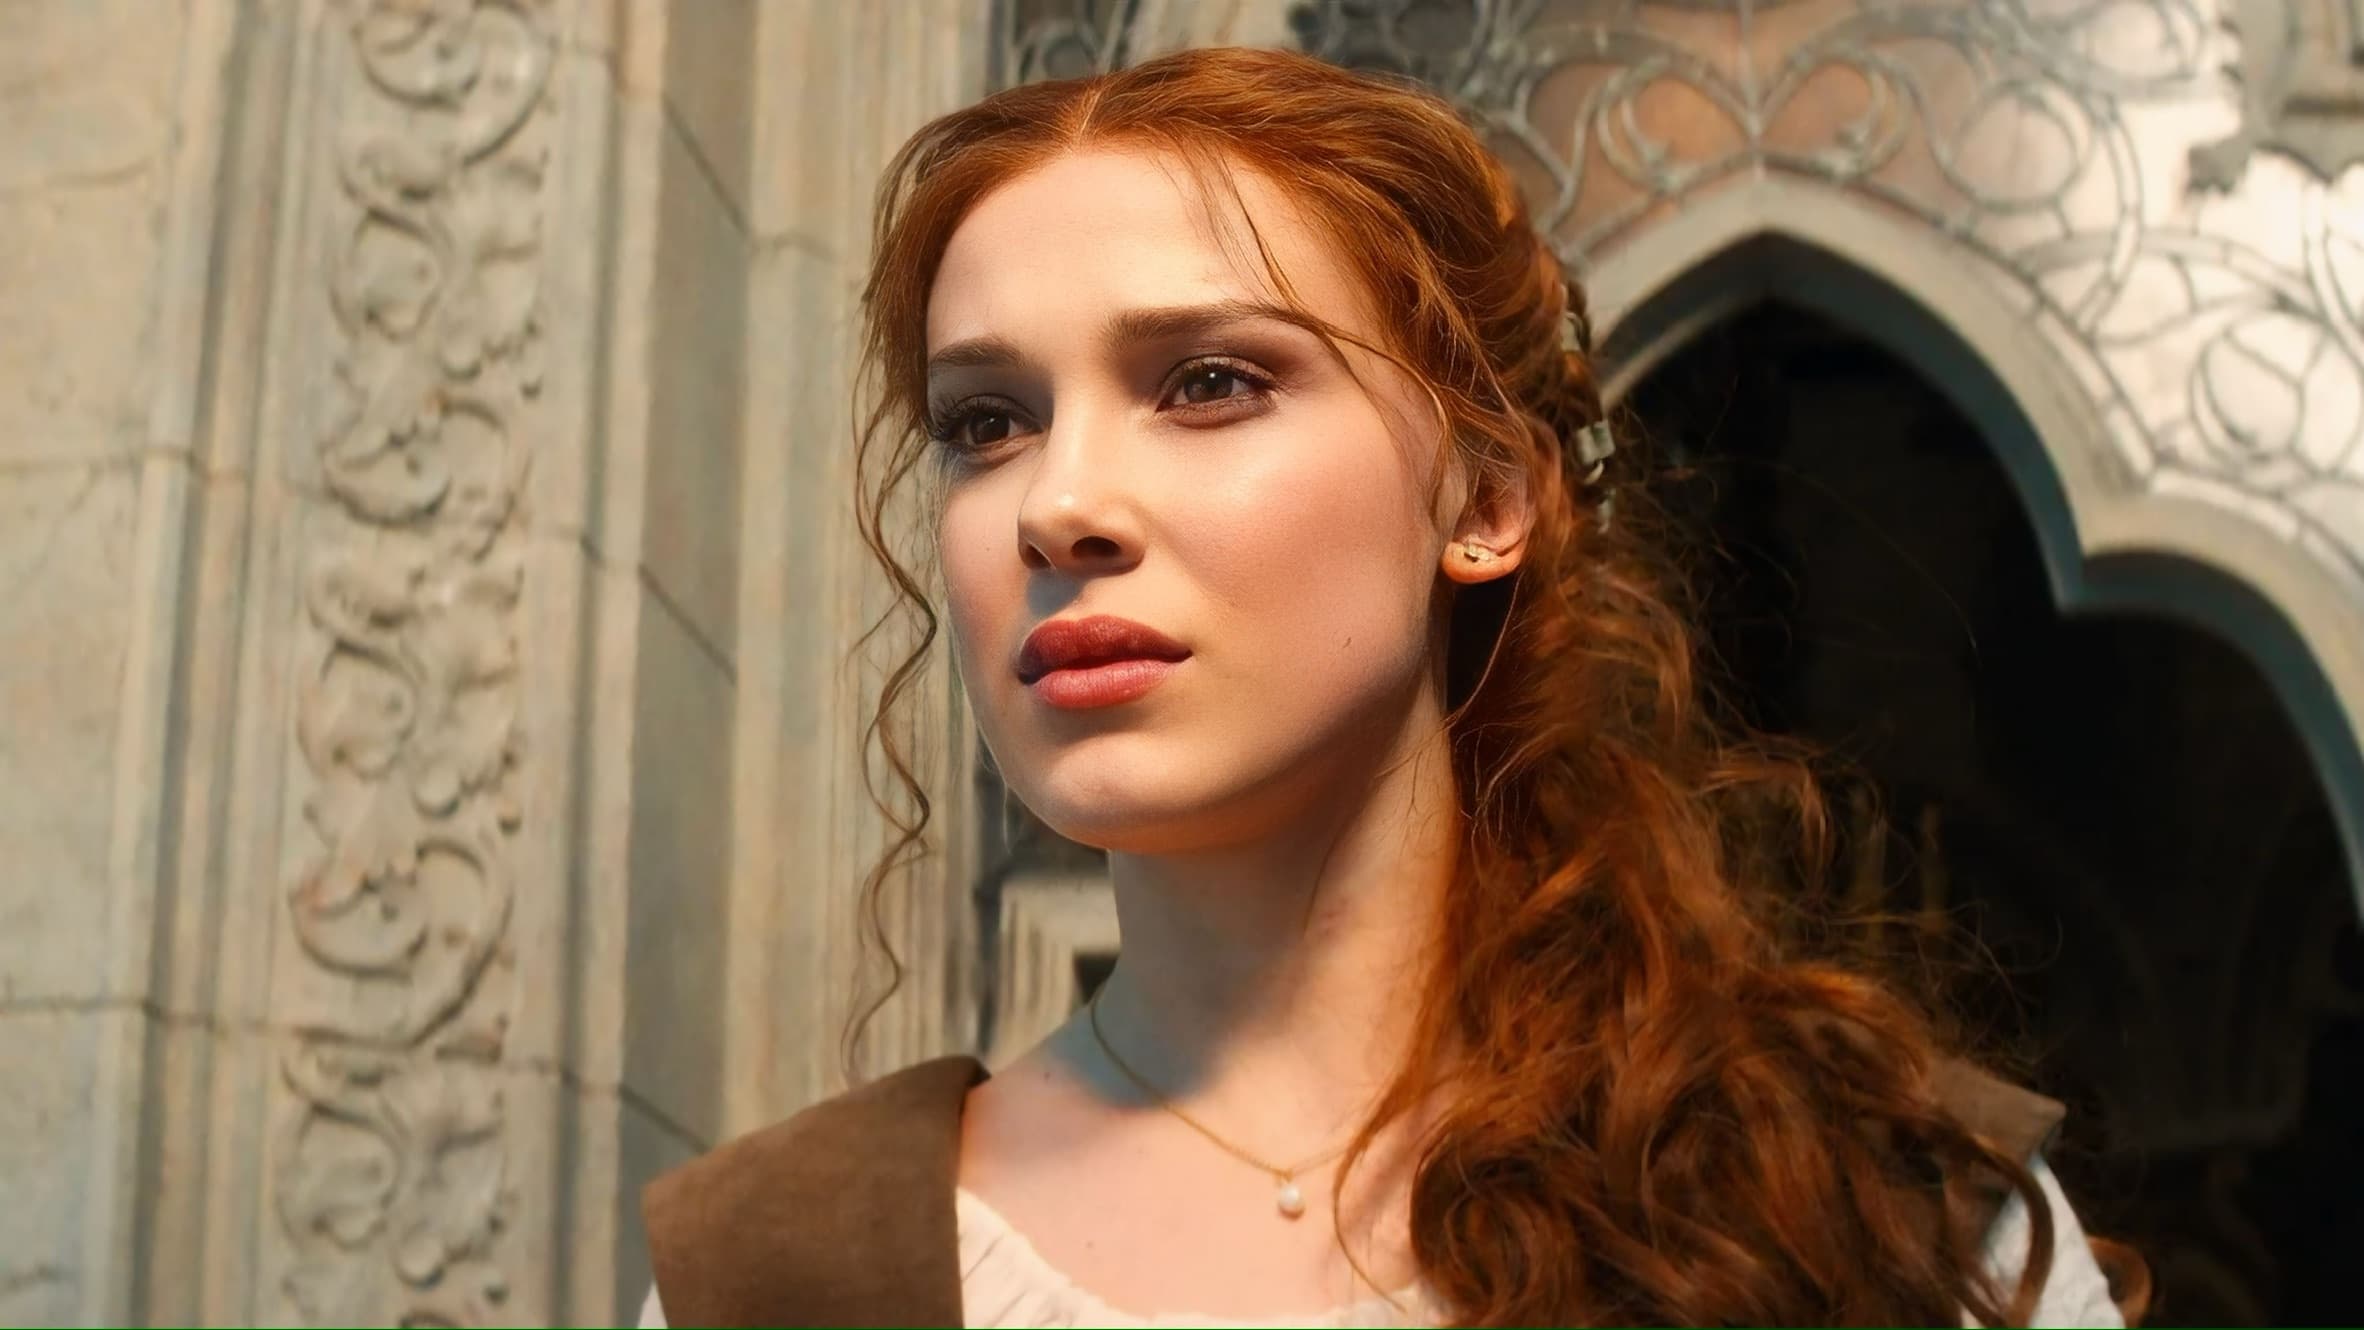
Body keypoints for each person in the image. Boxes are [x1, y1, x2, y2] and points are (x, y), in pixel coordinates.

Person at [638, 45, 2144, 1328]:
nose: (1057, 502)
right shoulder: (778, 1278)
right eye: (987, 421)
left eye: (1210, 382)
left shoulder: (1892, 1210)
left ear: (1484, 496)